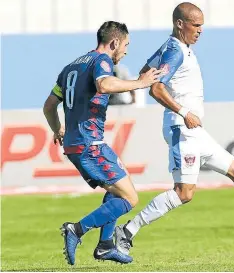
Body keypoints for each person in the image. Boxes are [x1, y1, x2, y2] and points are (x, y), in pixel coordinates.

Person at [113, 2, 234, 255]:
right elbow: (155, 87)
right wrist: (184, 112)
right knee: (184, 193)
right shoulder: (175, 51)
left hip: (194, 131)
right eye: (196, 25)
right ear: (179, 24)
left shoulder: (173, 47)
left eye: (202, 25)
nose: (200, 30)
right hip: (182, 129)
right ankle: (128, 231)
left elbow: (145, 75)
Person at [42, 21, 162, 265]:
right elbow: (104, 84)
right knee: (130, 198)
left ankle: (106, 245)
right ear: (115, 42)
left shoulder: (70, 67)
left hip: (81, 143)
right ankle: (76, 229)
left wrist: (58, 129)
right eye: (126, 45)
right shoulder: (101, 61)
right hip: (90, 144)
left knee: (118, 188)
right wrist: (140, 83)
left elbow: (49, 106)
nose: (126, 51)